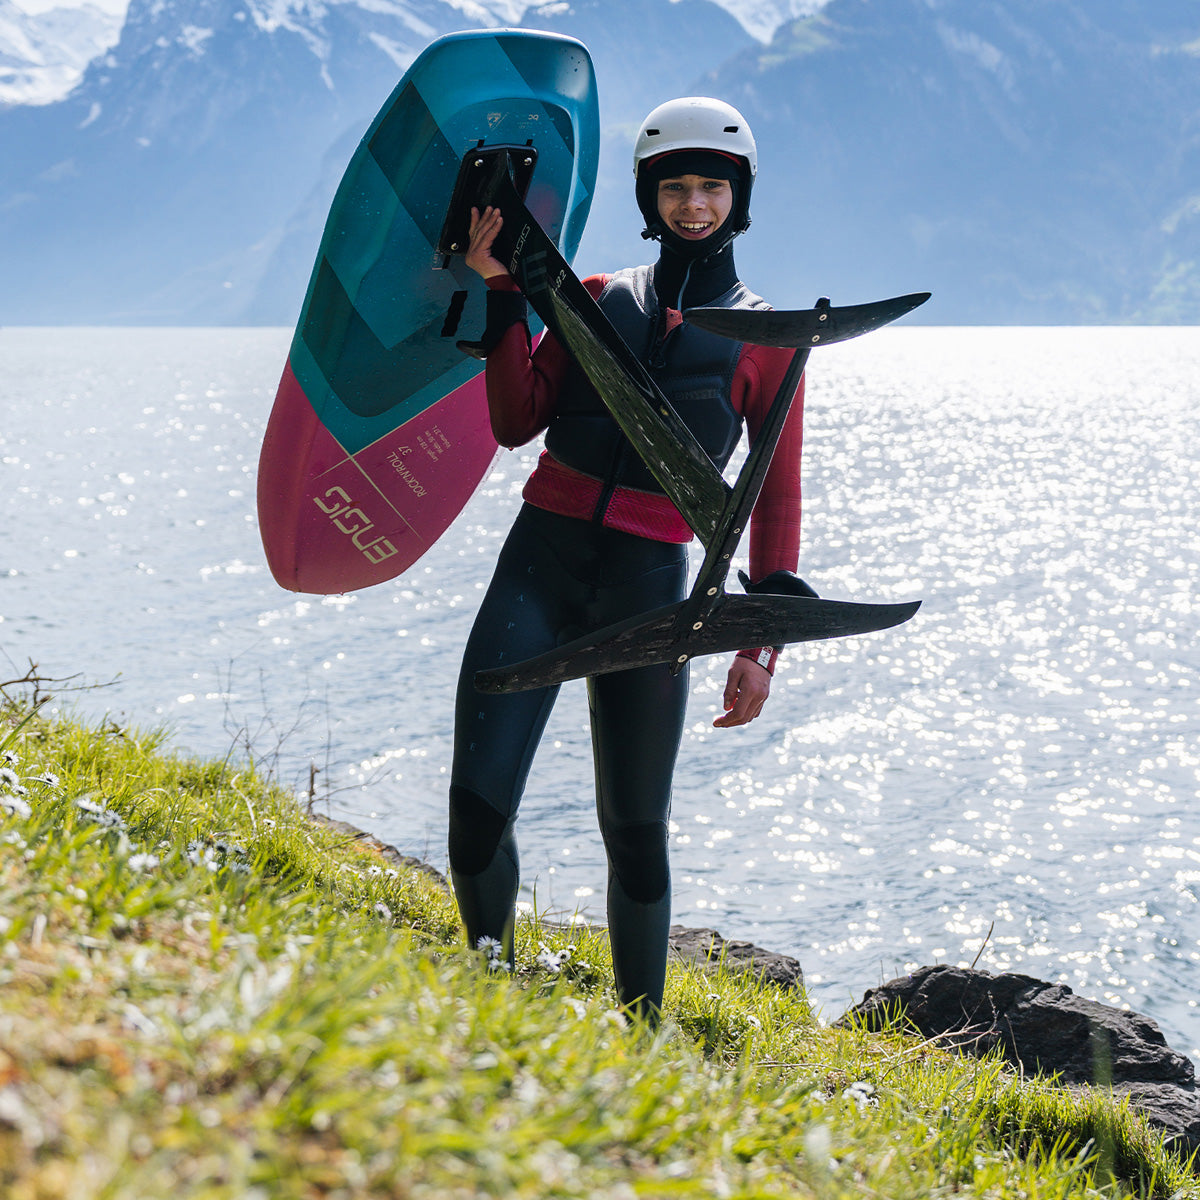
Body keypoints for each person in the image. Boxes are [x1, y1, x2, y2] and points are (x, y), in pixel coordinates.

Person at [448, 96, 805, 1018]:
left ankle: (639, 1036)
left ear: (739, 197)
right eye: (675, 187)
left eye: (712, 188)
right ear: (650, 197)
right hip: (538, 564)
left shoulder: (769, 341)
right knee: (476, 810)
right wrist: (503, 292)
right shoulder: (599, 298)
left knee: (637, 833)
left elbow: (775, 501)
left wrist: (759, 649)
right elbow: (517, 421)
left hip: (650, 594)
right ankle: (487, 1004)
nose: (694, 205)